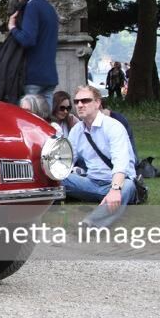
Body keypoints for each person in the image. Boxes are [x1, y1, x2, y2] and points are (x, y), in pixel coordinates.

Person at [62, 85, 137, 228]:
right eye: (76, 101)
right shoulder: (77, 130)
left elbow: (121, 163)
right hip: (91, 182)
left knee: (127, 186)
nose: (80, 105)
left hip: (117, 182)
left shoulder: (114, 127)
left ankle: (91, 224)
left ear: (97, 103)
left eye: (85, 101)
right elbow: (68, 160)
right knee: (55, 177)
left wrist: (115, 189)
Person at [7, 0, 59, 109]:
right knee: (46, 123)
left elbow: (28, 39)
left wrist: (12, 28)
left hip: (33, 76)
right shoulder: (49, 8)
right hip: (49, 75)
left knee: (31, 124)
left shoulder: (32, 6)